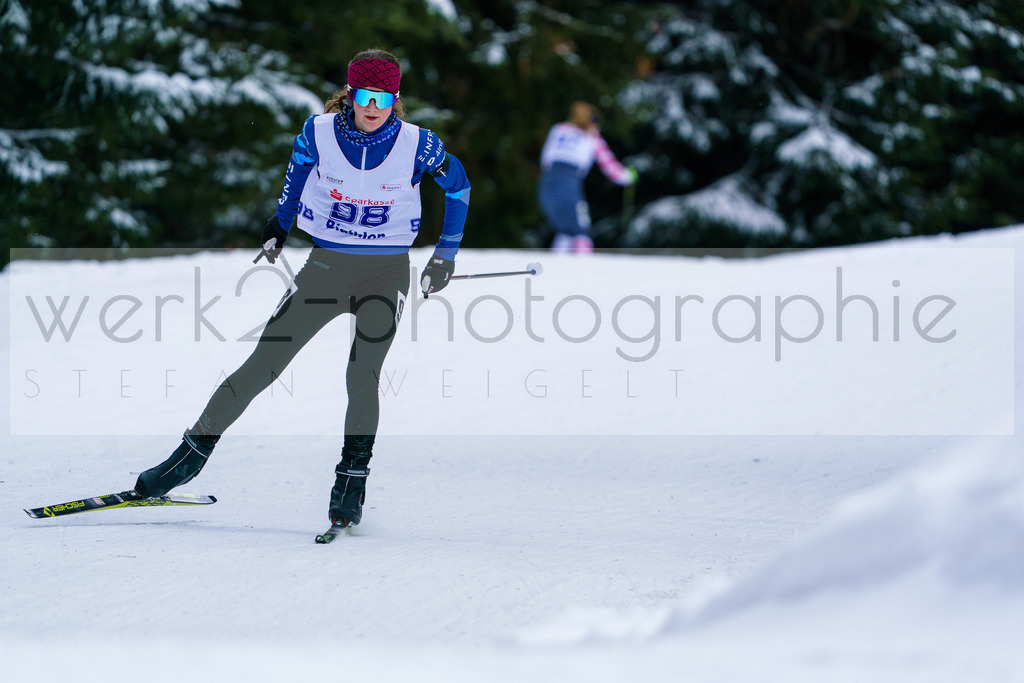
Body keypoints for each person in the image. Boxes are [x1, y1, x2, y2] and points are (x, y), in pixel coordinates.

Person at [133, 48, 470, 528]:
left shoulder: (420, 144)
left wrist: (445, 255)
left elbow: (458, 188)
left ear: (395, 100)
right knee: (263, 364)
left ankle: (351, 482)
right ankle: (185, 460)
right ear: (350, 95)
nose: (373, 107)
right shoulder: (319, 132)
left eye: (384, 98)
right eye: (364, 95)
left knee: (362, 375)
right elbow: (294, 179)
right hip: (325, 270)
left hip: (387, 273)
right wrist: (280, 224)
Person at [537, 101, 636, 253]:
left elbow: (545, 158)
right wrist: (629, 176)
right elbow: (611, 167)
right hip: (569, 182)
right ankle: (585, 269)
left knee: (564, 230)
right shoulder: (592, 138)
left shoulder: (558, 129)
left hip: (547, 182)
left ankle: (555, 266)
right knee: (581, 231)